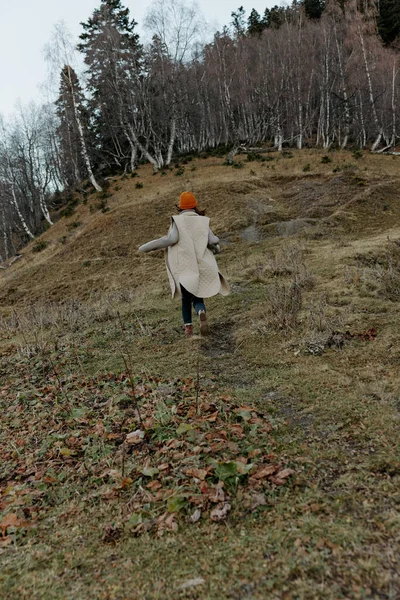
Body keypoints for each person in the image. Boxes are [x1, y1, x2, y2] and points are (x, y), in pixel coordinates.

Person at [139, 191, 230, 337]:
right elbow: (213, 241)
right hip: (200, 265)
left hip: (185, 267)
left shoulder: (178, 221)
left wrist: (147, 247)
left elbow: (171, 239)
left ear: (180, 207)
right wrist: (216, 248)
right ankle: (201, 311)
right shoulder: (202, 220)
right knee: (198, 297)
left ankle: (188, 329)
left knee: (186, 298)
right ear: (195, 205)